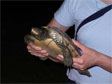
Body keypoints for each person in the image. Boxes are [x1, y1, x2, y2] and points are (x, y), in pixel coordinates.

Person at [27, 0, 112, 84]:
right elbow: (47, 38)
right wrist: (42, 51)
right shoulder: (76, 1)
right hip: (75, 80)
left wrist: (99, 59)